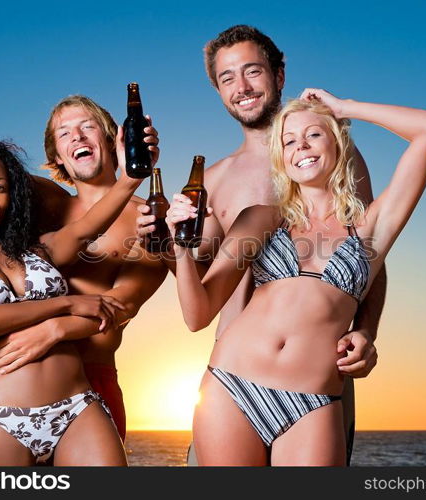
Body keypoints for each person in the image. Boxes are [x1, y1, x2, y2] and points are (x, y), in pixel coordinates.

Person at [0, 7, 167, 465]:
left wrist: (53, 330)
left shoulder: (148, 219)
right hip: (9, 389)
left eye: (87, 125)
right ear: (57, 156)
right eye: (63, 132)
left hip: (89, 386)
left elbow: (121, 305)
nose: (76, 135)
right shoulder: (42, 202)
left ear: (112, 138)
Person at [136, 25, 385, 465]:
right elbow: (201, 276)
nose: (242, 87)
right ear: (217, 90)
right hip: (232, 378)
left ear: (280, 74)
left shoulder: (334, 156)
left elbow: (368, 260)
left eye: (252, 71)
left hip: (317, 376)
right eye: (228, 78)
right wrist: (160, 244)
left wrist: (366, 329)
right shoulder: (213, 181)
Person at [168, 90, 426, 465]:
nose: (301, 147)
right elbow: (197, 315)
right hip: (230, 386)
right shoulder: (262, 218)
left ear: (336, 140)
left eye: (313, 134)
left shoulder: (371, 226)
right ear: (282, 158)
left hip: (313, 402)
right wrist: (180, 246)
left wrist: (345, 108)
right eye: (289, 141)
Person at [0, 137, 147, 465]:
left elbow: (89, 225)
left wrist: (131, 177)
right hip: (2, 417)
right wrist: (67, 304)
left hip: (77, 408)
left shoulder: (38, 250)